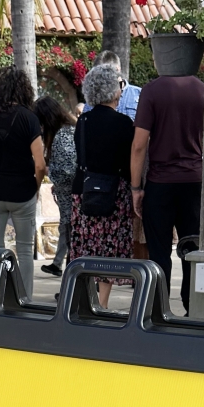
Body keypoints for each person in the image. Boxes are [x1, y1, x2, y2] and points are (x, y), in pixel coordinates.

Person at [130, 45, 204, 311]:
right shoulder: (203, 89)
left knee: (159, 251)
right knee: (193, 250)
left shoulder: (152, 91)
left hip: (160, 182)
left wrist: (136, 187)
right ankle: (192, 305)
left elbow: (139, 144)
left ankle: (159, 308)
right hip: (195, 180)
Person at [0, 66, 46, 297]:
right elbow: (40, 164)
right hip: (22, 191)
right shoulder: (29, 118)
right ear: (23, 89)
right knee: (24, 250)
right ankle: (24, 299)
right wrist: (36, 186)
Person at [69, 64, 135, 308]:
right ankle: (102, 302)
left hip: (84, 191)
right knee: (109, 249)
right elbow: (128, 162)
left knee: (86, 247)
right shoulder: (124, 123)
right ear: (113, 91)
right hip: (114, 192)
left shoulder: (83, 121)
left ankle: (86, 300)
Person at [35, 95, 77, 278]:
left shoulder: (62, 135)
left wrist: (48, 171)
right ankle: (64, 271)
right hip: (69, 196)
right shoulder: (68, 131)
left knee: (70, 236)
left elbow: (68, 168)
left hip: (70, 198)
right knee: (69, 235)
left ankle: (70, 282)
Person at [83, 49, 141, 120]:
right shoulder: (94, 98)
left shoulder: (139, 95)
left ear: (117, 70)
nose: (99, 79)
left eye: (104, 74)